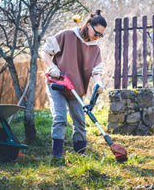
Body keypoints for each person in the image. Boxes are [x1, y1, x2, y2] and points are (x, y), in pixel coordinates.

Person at [41, 10, 107, 160]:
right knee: (60, 118)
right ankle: (56, 156)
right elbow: (45, 52)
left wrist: (99, 84)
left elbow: (96, 71)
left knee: (80, 121)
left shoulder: (95, 48)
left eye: (100, 35)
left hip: (76, 88)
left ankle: (80, 155)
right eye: (96, 33)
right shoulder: (67, 35)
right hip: (57, 84)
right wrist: (52, 67)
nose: (97, 37)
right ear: (88, 25)